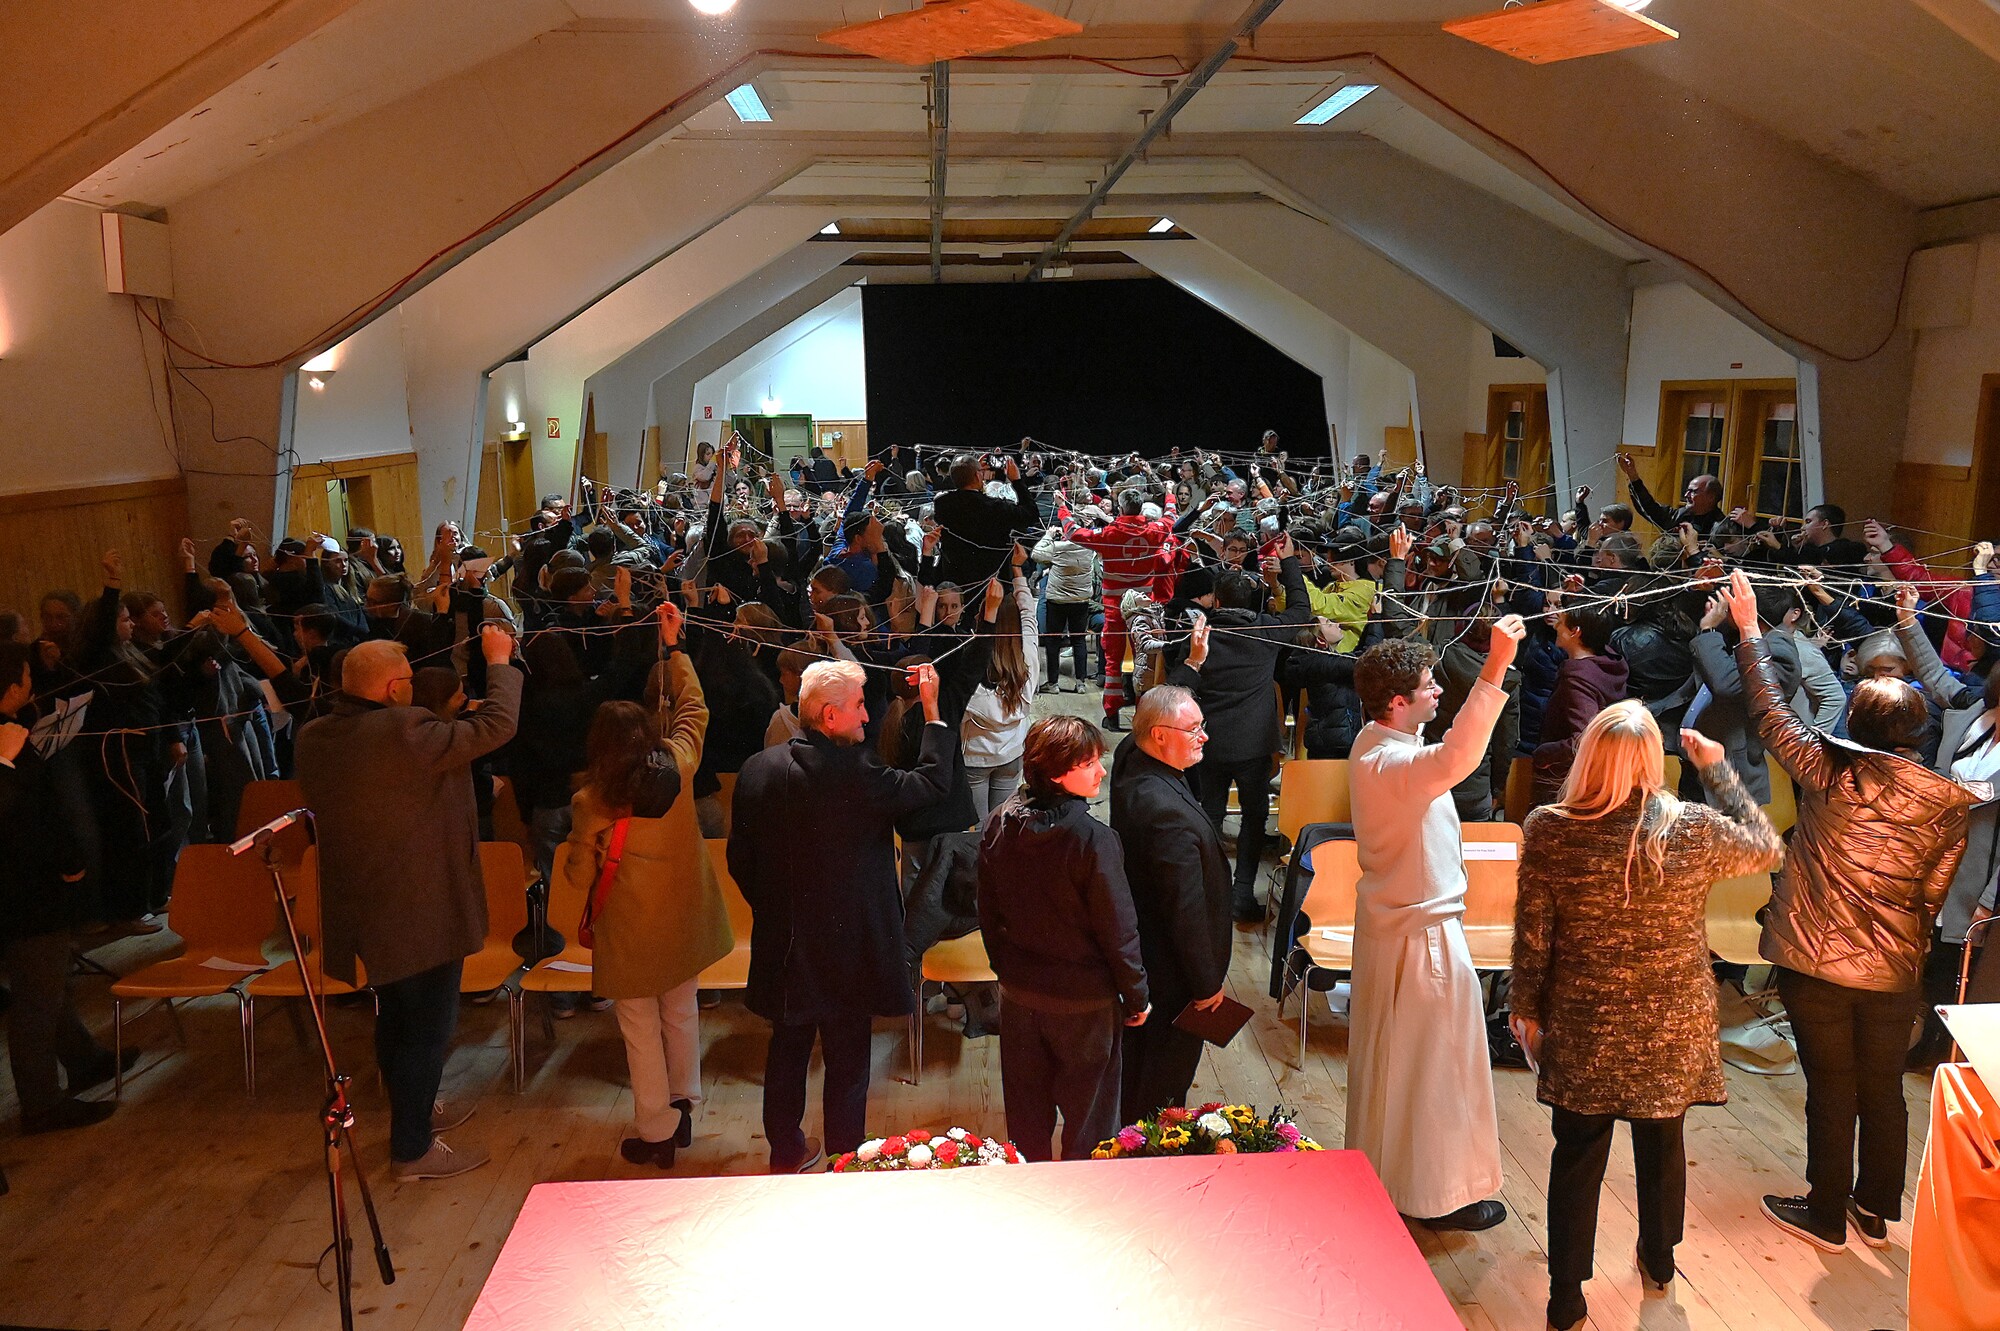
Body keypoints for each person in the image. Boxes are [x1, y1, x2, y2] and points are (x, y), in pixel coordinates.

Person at [1721, 570, 1980, 1251]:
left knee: (1831, 1089)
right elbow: (1933, 895)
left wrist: (1747, 630)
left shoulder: (1829, 771)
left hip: (1817, 961)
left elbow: (1771, 712)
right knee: (1883, 1088)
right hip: (1895, 968)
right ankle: (1875, 1209)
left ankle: (1826, 1212)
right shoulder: (1947, 803)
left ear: (1856, 723)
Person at [1511, 702, 1784, 1331]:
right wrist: (1716, 770)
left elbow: (1533, 934)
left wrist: (1525, 1007)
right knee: (1663, 1143)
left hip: (1586, 1020)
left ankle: (1566, 1297)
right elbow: (1766, 846)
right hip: (1672, 1020)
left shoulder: (1551, 829)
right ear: (1652, 761)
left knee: (1576, 1155)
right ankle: (1660, 1261)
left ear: (1588, 757)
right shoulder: (1692, 827)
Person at [295, 623, 522, 1181]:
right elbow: (497, 725)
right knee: (427, 1028)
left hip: (365, 904)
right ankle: (412, 1149)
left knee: (395, 1018)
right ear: (394, 688)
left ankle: (413, 1112)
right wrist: (498, 662)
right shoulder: (404, 729)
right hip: (421, 906)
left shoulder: (315, 736)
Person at [728, 658, 955, 1174]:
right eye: (858, 706)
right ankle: (845, 1162)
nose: (867, 717)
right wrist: (932, 710)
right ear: (829, 716)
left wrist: (774, 911)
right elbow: (933, 784)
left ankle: (786, 1153)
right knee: (849, 1058)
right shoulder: (858, 774)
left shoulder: (757, 768)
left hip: (785, 944)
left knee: (786, 1050)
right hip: (850, 948)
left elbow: (740, 861)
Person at [1344, 615, 1526, 1230]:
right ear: (1398, 703)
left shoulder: (1375, 743)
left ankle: (1397, 1183)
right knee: (1436, 1072)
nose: (1439, 690)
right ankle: (1433, 1196)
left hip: (1401, 928)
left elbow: (1444, 752)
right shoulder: (1391, 764)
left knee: (1405, 1069)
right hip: (1421, 936)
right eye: (1429, 685)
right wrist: (1495, 665)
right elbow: (1460, 755)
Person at [563, 604, 732, 1168]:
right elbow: (694, 707)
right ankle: (685, 1102)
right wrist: (676, 648)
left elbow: (579, 875)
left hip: (630, 928)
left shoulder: (591, 801)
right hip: (684, 917)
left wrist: (580, 858)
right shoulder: (679, 764)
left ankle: (656, 1129)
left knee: (638, 1027)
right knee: (681, 1011)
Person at [978, 716, 1149, 1161]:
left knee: (1026, 1122)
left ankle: (1035, 1199)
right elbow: (1119, 930)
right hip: (1085, 1004)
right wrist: (1136, 995)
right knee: (1091, 1126)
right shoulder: (1094, 840)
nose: (1101, 771)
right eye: (1088, 763)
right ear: (1055, 772)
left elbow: (988, 913)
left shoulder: (998, 822)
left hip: (1020, 996)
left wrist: (1006, 971)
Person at [0, 642, 130, 1134]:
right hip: (25, 889)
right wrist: (70, 862)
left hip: (26, 884)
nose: (31, 682)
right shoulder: (7, 743)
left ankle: (83, 1059)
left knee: (48, 981)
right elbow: (30, 816)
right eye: (26, 675)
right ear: (12, 686)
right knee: (36, 997)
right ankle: (41, 1103)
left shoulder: (14, 729)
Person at [1167, 539, 1311, 921]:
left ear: (1215, 600)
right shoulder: (1264, 630)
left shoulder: (1200, 635)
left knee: (1210, 815)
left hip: (1208, 743)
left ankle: (1209, 892)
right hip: (1253, 744)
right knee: (1253, 817)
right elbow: (1301, 610)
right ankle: (1242, 893)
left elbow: (1180, 681)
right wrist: (1288, 562)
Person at [1108, 684, 1232, 1122]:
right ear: (1159, 735)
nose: (1204, 736)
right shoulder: (1165, 814)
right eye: (1193, 729)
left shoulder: (1131, 753)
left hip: (1148, 956)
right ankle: (1147, 1150)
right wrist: (1206, 985)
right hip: (1172, 975)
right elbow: (1185, 911)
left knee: (1141, 1070)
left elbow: (1153, 703)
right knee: (1161, 1083)